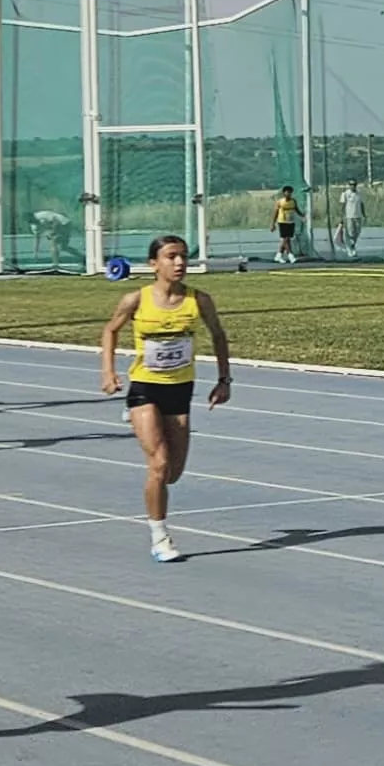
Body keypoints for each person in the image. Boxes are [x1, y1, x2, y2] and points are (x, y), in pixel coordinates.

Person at [100, 234, 232, 563]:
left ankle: (146, 424)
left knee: (173, 472)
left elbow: (218, 335)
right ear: (153, 264)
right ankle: (160, 536)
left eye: (183, 256)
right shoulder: (136, 300)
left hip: (180, 390)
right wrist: (109, 372)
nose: (179, 263)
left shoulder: (199, 300)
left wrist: (224, 380)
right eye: (171, 256)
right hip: (145, 386)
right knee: (158, 465)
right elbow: (110, 330)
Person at [269, 185, 304, 264]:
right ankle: (290, 255)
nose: (289, 194)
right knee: (286, 239)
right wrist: (272, 224)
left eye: (290, 192)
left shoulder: (293, 201)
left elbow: (296, 210)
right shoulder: (280, 202)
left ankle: (278, 255)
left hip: (291, 222)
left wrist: (302, 216)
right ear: (284, 193)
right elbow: (275, 213)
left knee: (286, 239)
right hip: (282, 222)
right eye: (287, 192)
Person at [339, 179, 366, 258]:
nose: (352, 186)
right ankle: (351, 248)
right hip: (349, 216)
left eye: (354, 184)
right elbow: (343, 205)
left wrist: (364, 214)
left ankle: (352, 245)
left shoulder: (359, 194)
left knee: (357, 232)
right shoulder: (345, 194)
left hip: (358, 215)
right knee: (351, 232)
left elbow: (361, 204)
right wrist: (341, 216)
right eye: (351, 184)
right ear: (349, 185)